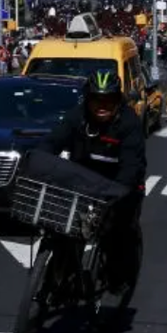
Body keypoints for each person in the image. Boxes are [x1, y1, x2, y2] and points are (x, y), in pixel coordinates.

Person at [37, 70, 146, 294]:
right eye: (96, 99)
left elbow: (131, 166)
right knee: (61, 226)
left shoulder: (129, 124)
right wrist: (38, 162)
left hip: (119, 185)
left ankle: (119, 276)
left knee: (119, 231)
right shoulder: (77, 117)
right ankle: (56, 273)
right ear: (88, 99)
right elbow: (52, 141)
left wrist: (119, 191)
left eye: (109, 100)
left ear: (118, 101)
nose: (102, 105)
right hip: (84, 181)